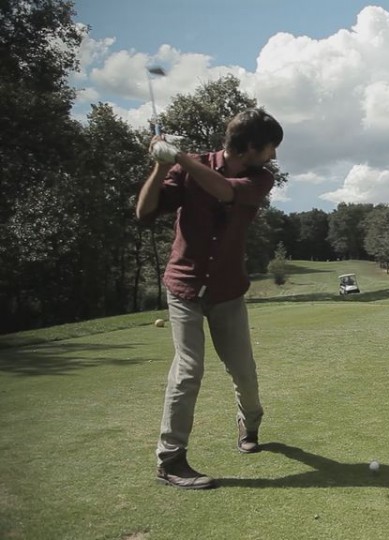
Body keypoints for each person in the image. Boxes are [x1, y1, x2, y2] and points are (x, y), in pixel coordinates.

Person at [135, 108, 284, 489]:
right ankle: (170, 460)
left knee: (244, 374)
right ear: (251, 146)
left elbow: (224, 192)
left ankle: (248, 424)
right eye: (271, 147)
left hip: (227, 291)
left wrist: (178, 156)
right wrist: (158, 165)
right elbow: (144, 211)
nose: (274, 155)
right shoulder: (189, 167)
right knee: (187, 371)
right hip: (184, 286)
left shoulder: (259, 178)